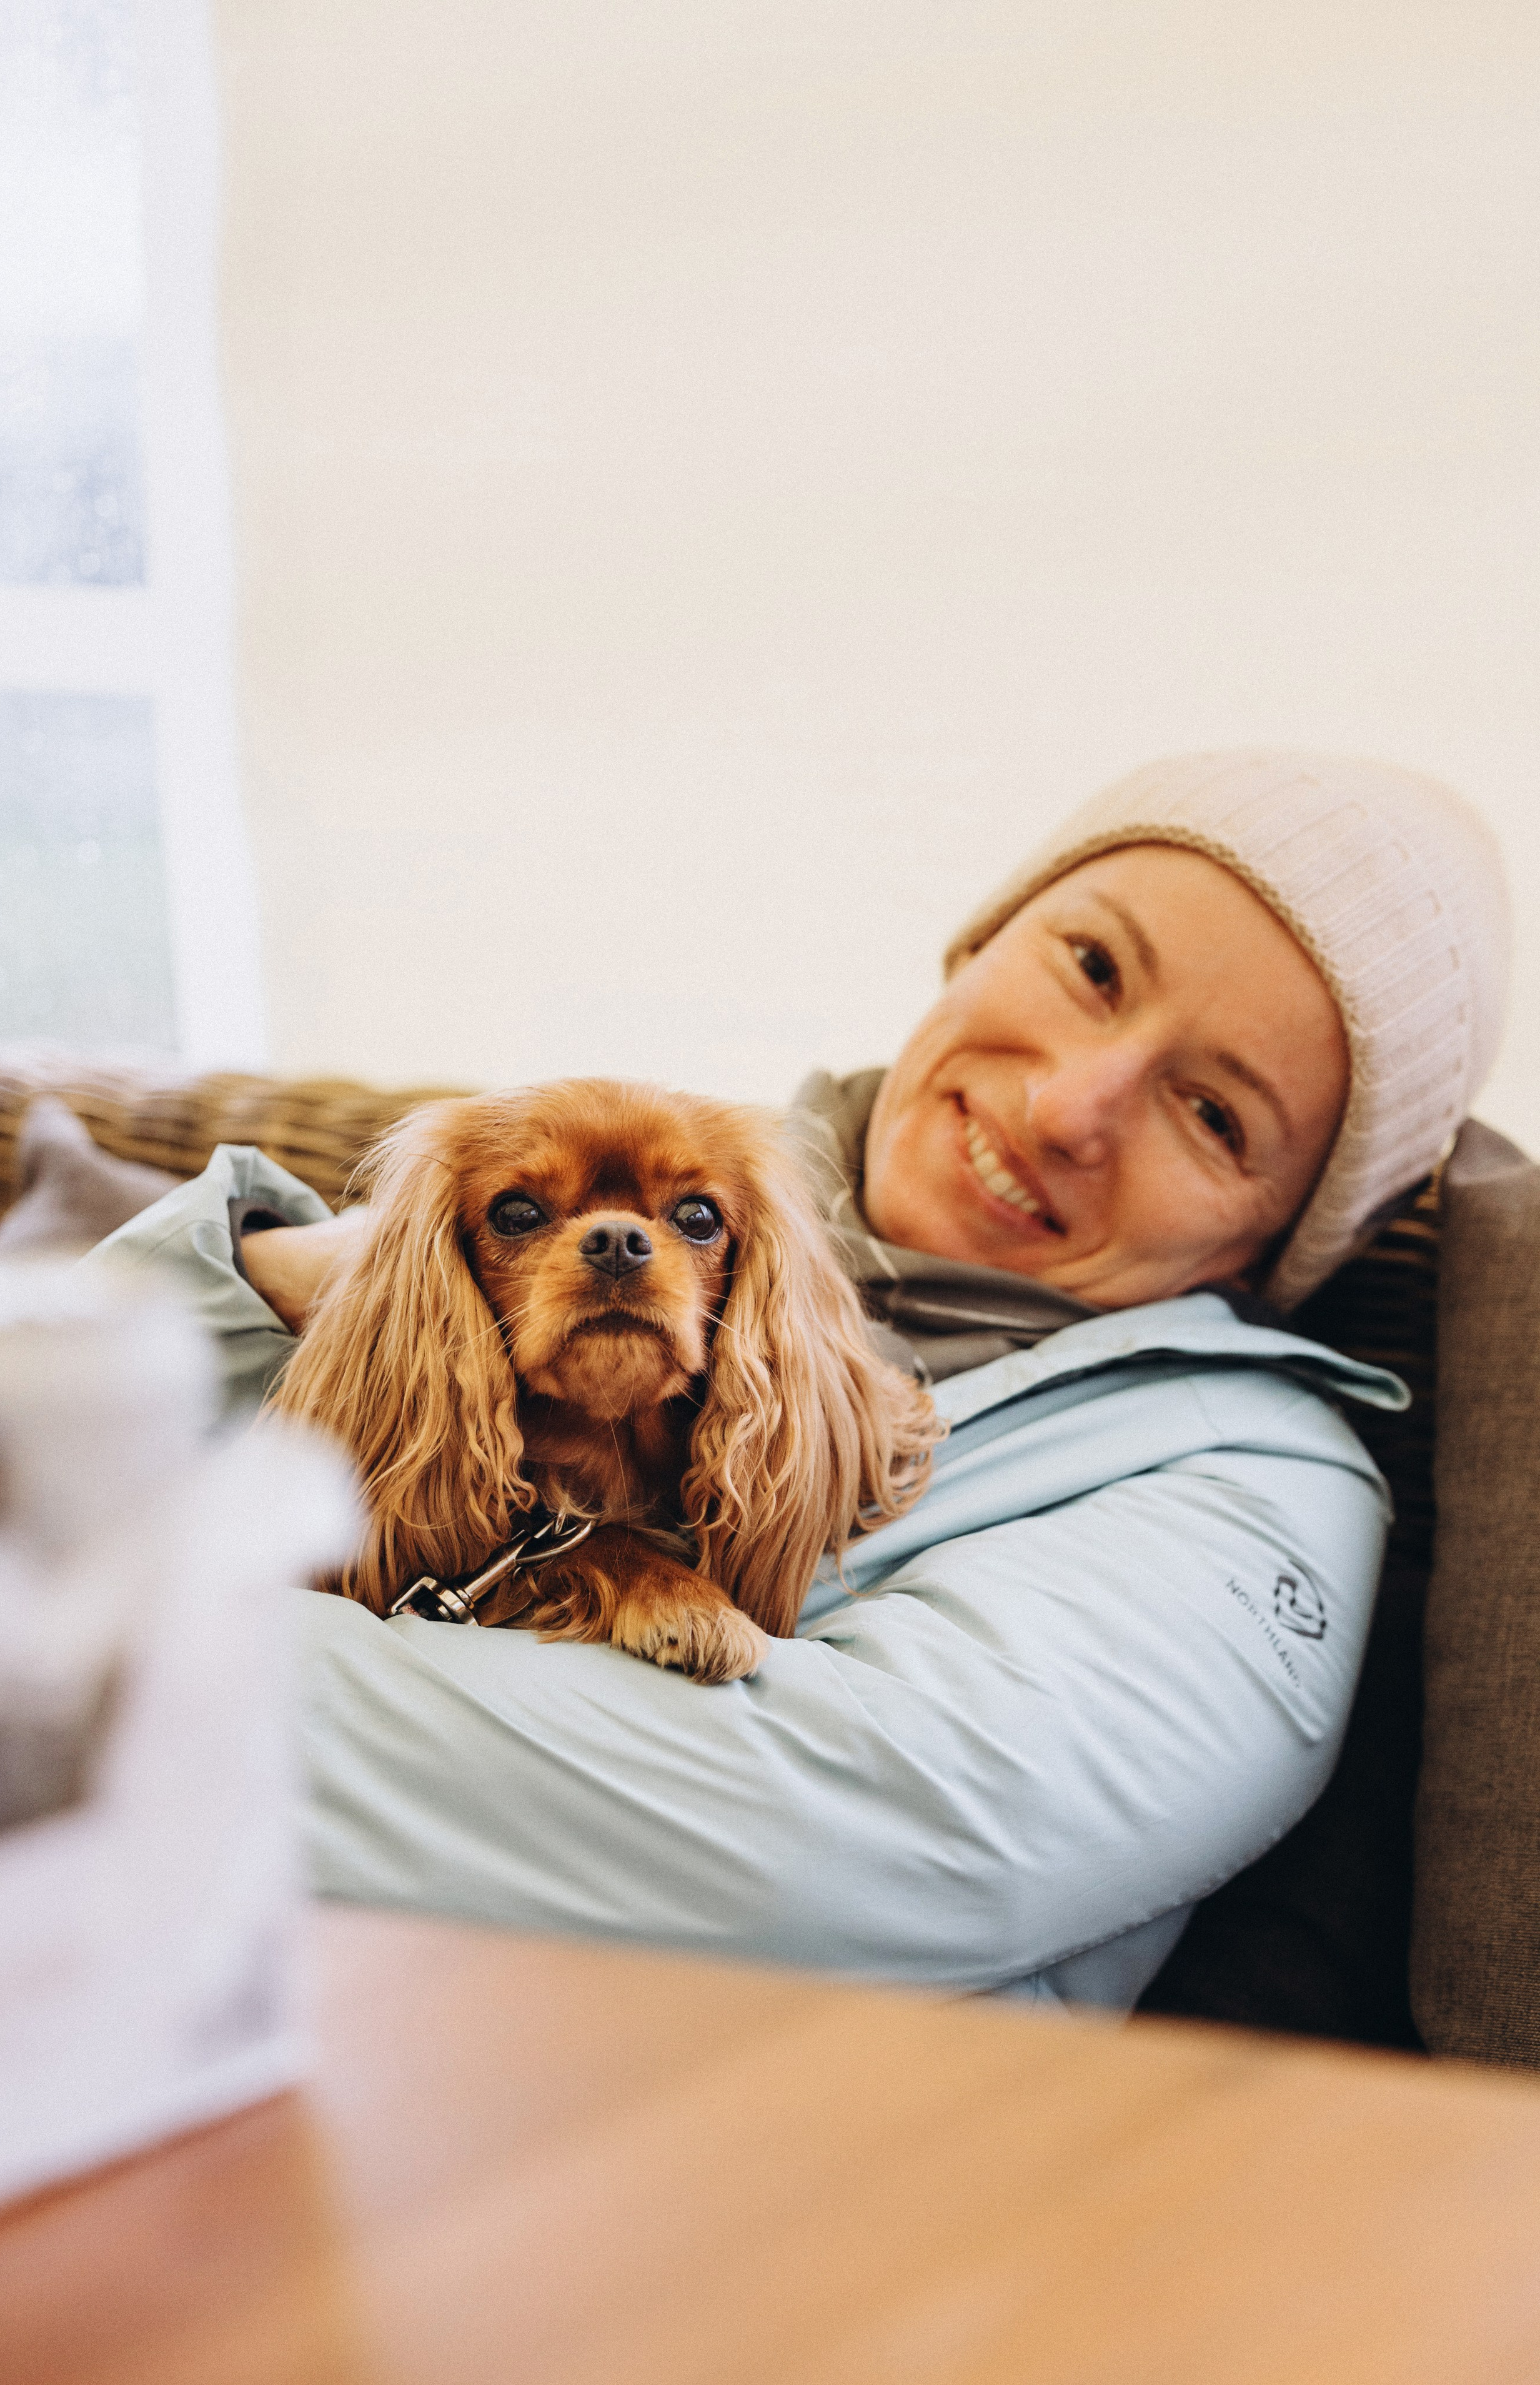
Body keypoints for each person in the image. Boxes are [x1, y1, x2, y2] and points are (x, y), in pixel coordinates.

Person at [96, 749, 1509, 2008]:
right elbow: (12, 1449)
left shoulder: (1252, 1489)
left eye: (1212, 1114)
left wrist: (43, 1687)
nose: (1067, 1105)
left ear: (1282, 1236)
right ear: (978, 940)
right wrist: (269, 1275)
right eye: (1091, 965)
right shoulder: (626, 1186)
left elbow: (838, 1846)